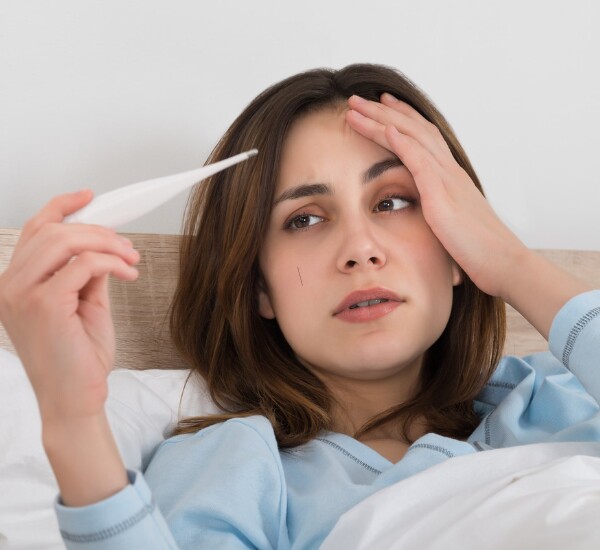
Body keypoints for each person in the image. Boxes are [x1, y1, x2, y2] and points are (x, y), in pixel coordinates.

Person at [0, 63, 599, 549]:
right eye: (305, 219)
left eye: (392, 202)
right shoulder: (235, 469)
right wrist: (72, 421)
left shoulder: (563, 391)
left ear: (458, 241)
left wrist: (511, 262)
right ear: (259, 288)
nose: (360, 249)